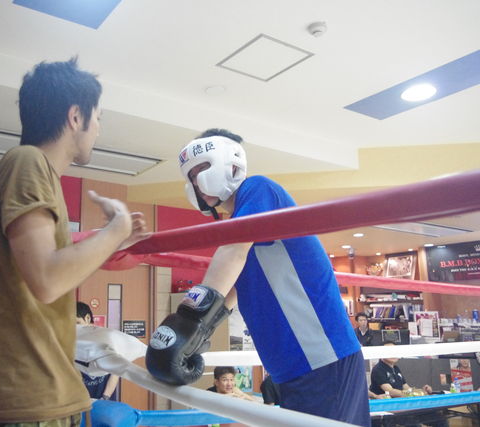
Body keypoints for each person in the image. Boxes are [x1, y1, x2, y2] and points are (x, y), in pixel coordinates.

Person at [146, 129, 369, 426]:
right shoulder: (239, 223)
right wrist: (198, 333)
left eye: (203, 168)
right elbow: (234, 286)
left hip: (323, 359)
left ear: (231, 163)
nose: (198, 182)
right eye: (192, 176)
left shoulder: (258, 189)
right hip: (291, 368)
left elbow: (234, 250)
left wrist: (187, 322)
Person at [0, 58, 148, 425]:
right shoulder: (27, 162)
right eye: (97, 117)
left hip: (43, 396)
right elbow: (47, 279)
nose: (98, 128)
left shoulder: (38, 172)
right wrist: (115, 230)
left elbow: (47, 273)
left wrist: (113, 241)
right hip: (30, 401)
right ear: (75, 116)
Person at [76, 302, 120, 400]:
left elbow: (115, 372)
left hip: (104, 400)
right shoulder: (72, 342)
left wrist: (105, 397)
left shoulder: (106, 339)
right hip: (81, 401)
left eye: (77, 323)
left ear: (87, 318)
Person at [369, 341, 434, 398]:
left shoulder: (396, 368)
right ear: (381, 353)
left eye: (395, 351)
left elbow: (407, 388)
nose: (393, 354)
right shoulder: (378, 369)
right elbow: (390, 392)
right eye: (389, 351)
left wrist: (422, 391)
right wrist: (415, 394)